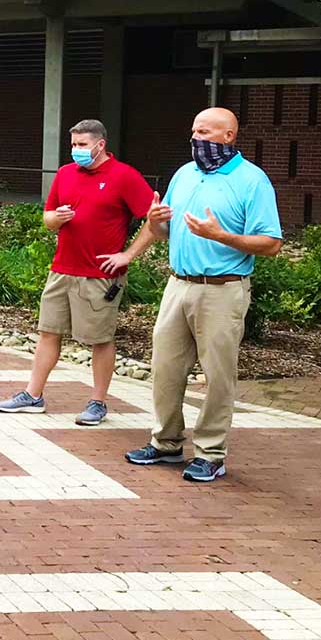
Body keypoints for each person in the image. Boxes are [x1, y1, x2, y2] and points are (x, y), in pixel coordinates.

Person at [125, 107, 282, 482]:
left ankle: (211, 452)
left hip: (222, 290)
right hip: (178, 285)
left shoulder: (251, 181)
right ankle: (166, 443)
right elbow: (167, 233)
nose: (197, 139)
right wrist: (154, 222)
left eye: (206, 133)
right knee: (165, 368)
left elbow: (271, 243)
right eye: (194, 131)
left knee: (217, 375)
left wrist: (221, 236)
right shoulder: (185, 174)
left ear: (229, 136)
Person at [0, 119, 154, 425]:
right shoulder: (66, 174)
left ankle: (98, 402)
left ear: (100, 145)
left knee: (100, 339)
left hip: (100, 275)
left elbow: (155, 219)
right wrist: (57, 218)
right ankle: (33, 395)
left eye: (82, 145)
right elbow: (48, 218)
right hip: (61, 269)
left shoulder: (124, 176)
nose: (75, 151)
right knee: (47, 332)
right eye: (73, 145)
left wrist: (127, 255)